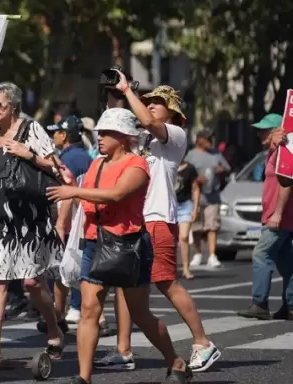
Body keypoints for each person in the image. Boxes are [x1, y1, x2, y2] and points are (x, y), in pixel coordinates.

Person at [47, 108, 192, 384]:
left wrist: (74, 190)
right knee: (89, 309)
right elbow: (89, 202)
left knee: (140, 313)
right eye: (99, 132)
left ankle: (176, 362)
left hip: (129, 245)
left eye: (107, 133)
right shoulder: (96, 164)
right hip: (95, 243)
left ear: (124, 137)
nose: (99, 138)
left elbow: (116, 195)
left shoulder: (138, 165)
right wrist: (69, 183)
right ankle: (84, 377)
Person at [94, 78, 219, 373]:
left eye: (158, 101)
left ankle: (203, 343)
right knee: (124, 286)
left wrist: (128, 91)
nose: (150, 103)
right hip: (134, 220)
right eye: (147, 99)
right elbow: (117, 124)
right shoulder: (142, 137)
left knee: (166, 282)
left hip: (158, 218)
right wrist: (114, 95)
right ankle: (123, 351)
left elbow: (148, 121)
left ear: (173, 112)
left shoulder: (174, 135)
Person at [0, 82, 67, 363]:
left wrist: (29, 155)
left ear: (13, 106)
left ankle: (53, 329)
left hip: (31, 221)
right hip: (3, 223)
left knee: (31, 282)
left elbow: (56, 168)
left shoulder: (31, 129)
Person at [238, 113, 293, 320]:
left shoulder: (283, 151)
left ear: (276, 131)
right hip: (281, 217)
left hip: (279, 217)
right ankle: (290, 306)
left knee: (261, 254)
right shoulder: (274, 150)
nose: (259, 133)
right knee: (287, 263)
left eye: (264, 129)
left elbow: (287, 182)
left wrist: (277, 214)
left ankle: (260, 304)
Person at [46, 115, 93, 328]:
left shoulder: (69, 159)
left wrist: (60, 225)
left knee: (65, 268)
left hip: (73, 221)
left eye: (56, 132)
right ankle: (70, 309)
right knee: (78, 266)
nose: (53, 136)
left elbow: (67, 192)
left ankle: (65, 311)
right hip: (83, 218)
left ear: (64, 135)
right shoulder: (85, 156)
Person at [185, 128, 231, 268]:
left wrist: (221, 170)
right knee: (196, 228)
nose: (211, 142)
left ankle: (212, 255)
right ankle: (197, 254)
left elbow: (227, 168)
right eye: (208, 139)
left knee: (212, 227)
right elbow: (184, 172)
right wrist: (196, 179)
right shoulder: (191, 155)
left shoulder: (216, 153)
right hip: (196, 198)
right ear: (200, 140)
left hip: (213, 196)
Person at [175, 161, 201, 280]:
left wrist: (195, 208)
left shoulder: (190, 168)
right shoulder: (167, 164)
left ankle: (185, 268)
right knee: (170, 239)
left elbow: (195, 189)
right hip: (169, 205)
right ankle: (171, 269)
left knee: (184, 236)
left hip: (185, 205)